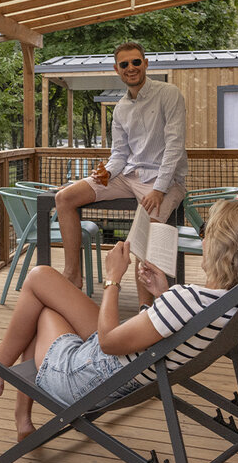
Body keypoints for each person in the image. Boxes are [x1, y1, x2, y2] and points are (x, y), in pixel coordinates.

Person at [0, 199, 238, 440]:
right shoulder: (232, 301)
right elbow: (172, 329)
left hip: (88, 376)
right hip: (120, 364)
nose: (202, 241)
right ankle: (12, 403)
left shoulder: (187, 299)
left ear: (224, 249)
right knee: (41, 284)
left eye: (208, 236)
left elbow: (112, 342)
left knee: (40, 297)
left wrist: (114, 279)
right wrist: (161, 293)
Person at [54, 41, 188, 287]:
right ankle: (73, 275)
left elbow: (175, 147)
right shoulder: (121, 108)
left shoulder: (169, 94)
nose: (131, 67)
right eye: (124, 64)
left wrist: (159, 189)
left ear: (145, 64)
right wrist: (106, 172)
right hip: (128, 175)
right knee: (64, 197)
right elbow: (119, 154)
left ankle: (144, 310)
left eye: (136, 62)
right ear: (117, 69)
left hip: (163, 180)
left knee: (142, 236)